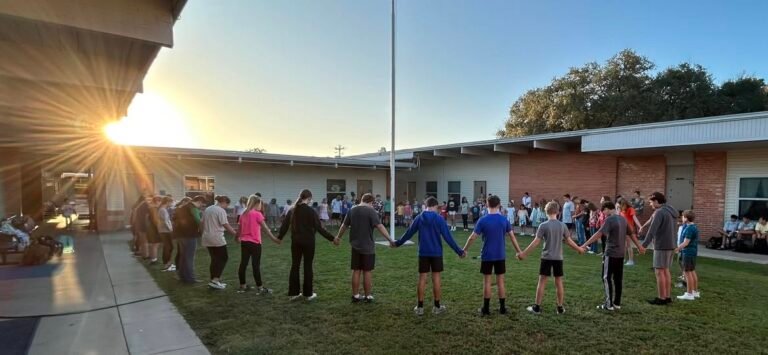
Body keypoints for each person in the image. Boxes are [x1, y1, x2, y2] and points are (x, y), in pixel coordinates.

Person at [393, 197, 466, 316]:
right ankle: (437, 307)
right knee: (436, 278)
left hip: (423, 253)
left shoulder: (419, 218)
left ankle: (420, 307)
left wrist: (398, 243)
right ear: (435, 206)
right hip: (436, 253)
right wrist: (459, 251)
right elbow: (448, 237)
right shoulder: (439, 219)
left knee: (422, 278)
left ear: (426, 205)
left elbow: (409, 233)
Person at [518, 201, 584, 315]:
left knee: (542, 281)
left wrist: (524, 253)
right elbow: (569, 241)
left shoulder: (543, 225)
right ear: (558, 212)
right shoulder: (562, 225)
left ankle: (537, 307)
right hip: (558, 258)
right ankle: (560, 308)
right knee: (559, 282)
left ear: (546, 211)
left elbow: (536, 242)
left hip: (546, 258)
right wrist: (579, 249)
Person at [462, 195, 523, 316]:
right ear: (499, 205)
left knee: (487, 282)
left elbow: (472, 237)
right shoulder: (503, 220)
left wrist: (464, 250)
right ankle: (502, 308)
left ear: (486, 204)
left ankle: (486, 309)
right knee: (501, 282)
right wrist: (519, 251)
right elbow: (512, 236)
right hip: (500, 255)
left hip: (487, 255)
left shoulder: (483, 220)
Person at [580, 201, 645, 311]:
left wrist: (585, 244)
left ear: (607, 209)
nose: (604, 213)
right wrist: (639, 246)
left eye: (604, 211)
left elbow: (599, 233)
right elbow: (631, 234)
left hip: (610, 253)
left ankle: (608, 304)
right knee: (618, 279)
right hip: (620, 254)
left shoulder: (609, 219)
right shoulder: (623, 219)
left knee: (606, 278)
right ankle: (617, 303)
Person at [278, 189, 336, 301]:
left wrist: (279, 237)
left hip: (296, 242)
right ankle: (308, 294)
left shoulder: (292, 210)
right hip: (309, 242)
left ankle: (293, 293)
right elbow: (319, 228)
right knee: (307, 266)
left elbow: (284, 226)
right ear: (309, 198)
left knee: (295, 266)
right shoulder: (311, 211)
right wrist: (332, 239)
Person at [334, 193, 394, 303]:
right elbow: (380, 226)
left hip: (355, 246)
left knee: (356, 270)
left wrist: (338, 237)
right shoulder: (371, 211)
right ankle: (368, 296)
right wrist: (390, 240)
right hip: (368, 247)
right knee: (367, 271)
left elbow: (344, 225)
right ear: (370, 202)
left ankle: (355, 295)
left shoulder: (352, 210)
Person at [237, 195, 281, 294]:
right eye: (260, 204)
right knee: (255, 265)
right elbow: (265, 229)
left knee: (243, 264)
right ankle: (260, 288)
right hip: (255, 243)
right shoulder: (257, 214)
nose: (261, 206)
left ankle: (242, 286)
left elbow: (239, 229)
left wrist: (236, 238)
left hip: (244, 242)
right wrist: (274, 239)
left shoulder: (243, 214)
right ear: (256, 204)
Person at [641, 192, 679, 305]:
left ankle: (661, 298)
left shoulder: (660, 212)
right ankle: (667, 297)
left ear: (657, 201)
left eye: (651, 202)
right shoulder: (671, 211)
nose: (650, 204)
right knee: (666, 271)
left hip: (662, 245)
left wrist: (643, 245)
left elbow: (652, 230)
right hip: (671, 245)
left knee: (659, 271)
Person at [201, 196, 238, 290]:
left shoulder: (208, 209)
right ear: (224, 202)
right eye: (227, 205)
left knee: (214, 259)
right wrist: (236, 234)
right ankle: (215, 280)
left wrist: (203, 233)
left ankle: (213, 280)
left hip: (207, 237)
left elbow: (201, 223)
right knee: (223, 258)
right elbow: (225, 224)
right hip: (217, 238)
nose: (226, 207)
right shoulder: (220, 210)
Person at [173, 195, 205, 284]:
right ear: (199, 201)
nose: (201, 207)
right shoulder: (193, 208)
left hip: (180, 235)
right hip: (189, 235)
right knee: (189, 257)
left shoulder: (181, 207)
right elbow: (199, 221)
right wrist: (203, 232)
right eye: (202, 205)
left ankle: (182, 276)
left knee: (183, 256)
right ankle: (190, 278)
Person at [674, 210, 700, 301]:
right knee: (692, 271)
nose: (682, 218)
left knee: (687, 273)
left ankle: (689, 293)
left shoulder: (689, 228)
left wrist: (677, 249)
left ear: (686, 218)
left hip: (687, 253)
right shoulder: (693, 226)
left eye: (683, 216)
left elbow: (686, 242)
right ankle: (695, 292)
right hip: (692, 252)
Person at [619, 199, 643, 267]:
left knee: (629, 245)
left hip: (629, 230)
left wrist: (640, 226)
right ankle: (623, 259)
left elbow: (635, 218)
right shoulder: (621, 211)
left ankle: (631, 260)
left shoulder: (630, 209)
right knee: (623, 245)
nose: (620, 206)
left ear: (625, 204)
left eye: (621, 205)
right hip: (622, 229)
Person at [157, 196, 175, 272]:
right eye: (171, 202)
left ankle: (169, 263)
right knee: (168, 247)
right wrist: (170, 229)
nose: (172, 203)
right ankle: (166, 264)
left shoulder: (163, 209)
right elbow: (165, 221)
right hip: (165, 231)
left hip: (165, 231)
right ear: (167, 202)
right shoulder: (163, 210)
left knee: (170, 247)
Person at [146, 196, 163, 264]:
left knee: (152, 244)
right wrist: (159, 228)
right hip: (154, 228)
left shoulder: (150, 207)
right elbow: (156, 220)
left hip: (150, 227)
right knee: (155, 244)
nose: (160, 203)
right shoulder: (154, 208)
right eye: (160, 201)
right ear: (157, 201)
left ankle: (152, 257)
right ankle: (154, 259)